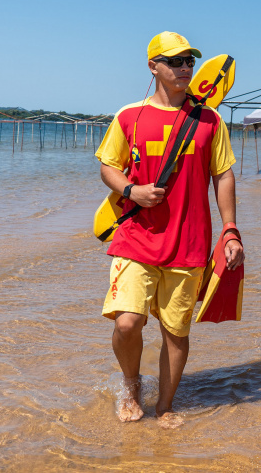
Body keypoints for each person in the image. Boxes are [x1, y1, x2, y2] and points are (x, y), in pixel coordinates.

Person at [95, 31, 244, 428]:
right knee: (127, 322)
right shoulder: (130, 115)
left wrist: (230, 229)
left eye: (189, 61)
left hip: (189, 242)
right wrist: (132, 190)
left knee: (175, 332)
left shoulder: (210, 120)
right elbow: (108, 165)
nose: (184, 68)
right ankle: (131, 385)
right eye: (175, 61)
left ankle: (164, 405)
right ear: (153, 66)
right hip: (136, 238)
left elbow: (223, 175)